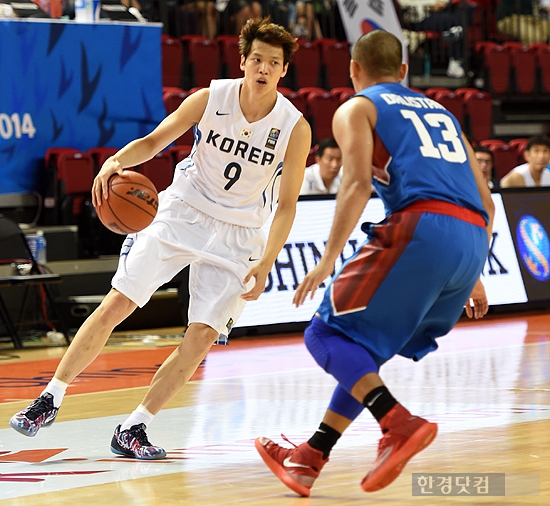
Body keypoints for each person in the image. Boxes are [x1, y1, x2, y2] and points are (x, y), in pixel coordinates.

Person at [10, 17, 311, 460]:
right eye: (257, 59)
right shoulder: (211, 97)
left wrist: (266, 260)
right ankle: (49, 398)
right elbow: (155, 141)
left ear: (284, 70)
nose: (264, 69)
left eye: (274, 63)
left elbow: (286, 206)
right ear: (243, 61)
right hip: (182, 213)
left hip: (240, 233)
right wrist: (114, 161)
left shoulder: (294, 127)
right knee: (118, 302)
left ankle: (135, 427)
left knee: (201, 336)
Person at [254, 29, 494, 497]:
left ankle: (396, 422)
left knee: (323, 334)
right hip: (471, 239)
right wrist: (475, 270)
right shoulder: (444, 113)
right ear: (404, 72)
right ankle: (309, 457)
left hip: (419, 227)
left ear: (352, 70)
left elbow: (357, 183)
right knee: (361, 352)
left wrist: (326, 260)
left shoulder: (358, 107)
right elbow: (484, 197)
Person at [398, 0, 474, 78]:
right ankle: (453, 41)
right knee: (459, 20)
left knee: (468, 9)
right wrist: (430, 5)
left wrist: (444, 3)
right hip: (419, 18)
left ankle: (453, 32)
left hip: (439, 13)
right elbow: (403, 3)